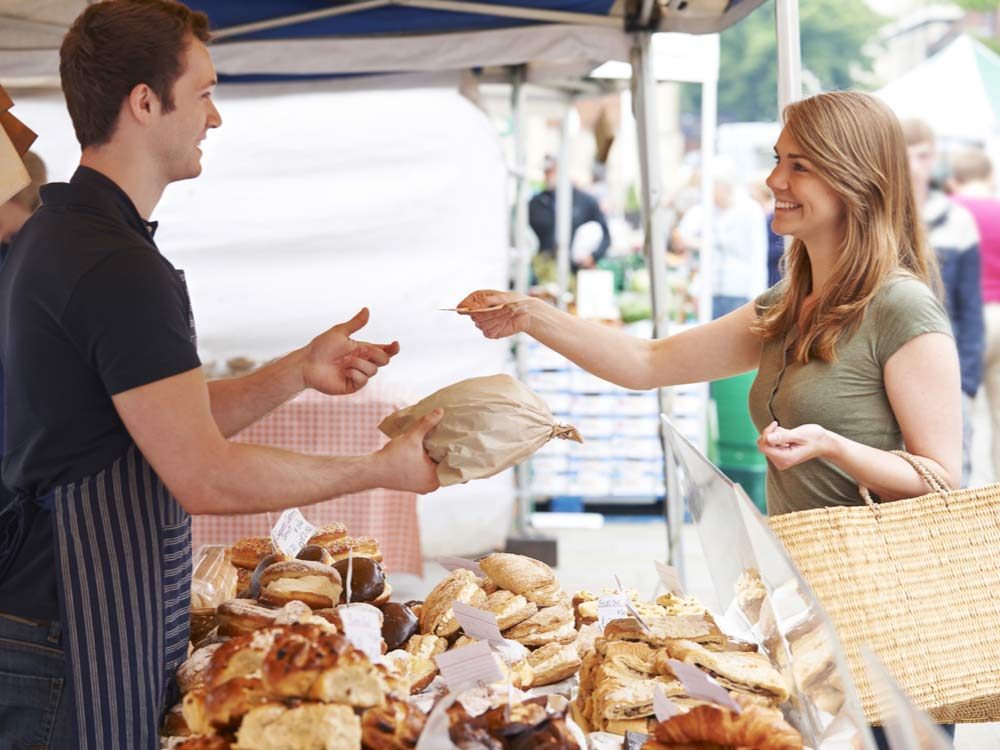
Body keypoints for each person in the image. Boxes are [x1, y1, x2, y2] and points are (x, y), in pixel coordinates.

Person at [0, 2, 442, 747]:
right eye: (204, 92)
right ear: (145, 102)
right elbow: (204, 473)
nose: (216, 118)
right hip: (71, 635)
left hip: (57, 620)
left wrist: (297, 371)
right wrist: (379, 469)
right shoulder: (116, 266)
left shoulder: (60, 234)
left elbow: (157, 421)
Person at [462, 90, 961, 747]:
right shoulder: (789, 304)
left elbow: (941, 483)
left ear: (855, 179)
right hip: (806, 611)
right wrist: (531, 315)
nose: (774, 180)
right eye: (779, 159)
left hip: (889, 622)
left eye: (800, 165)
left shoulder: (902, 308)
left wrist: (834, 447)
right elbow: (647, 362)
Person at [902, 118, 983, 486]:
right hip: (894, 365)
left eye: (923, 155)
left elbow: (970, 305)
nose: (917, 165)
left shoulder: (957, 220)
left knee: (951, 477)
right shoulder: (879, 219)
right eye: (909, 155)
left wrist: (966, 382)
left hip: (946, 365)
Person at [948, 148, 1000, 480]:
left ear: (954, 180)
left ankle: (960, 498)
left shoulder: (949, 213)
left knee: (956, 412)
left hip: (964, 320)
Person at [673, 169, 768, 319]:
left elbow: (758, 253)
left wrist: (757, 293)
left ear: (723, 187)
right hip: (709, 289)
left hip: (739, 290)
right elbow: (681, 237)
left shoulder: (749, 210)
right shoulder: (703, 211)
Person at [528, 155, 611, 279]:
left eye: (552, 171)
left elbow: (605, 236)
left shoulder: (586, 201)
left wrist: (593, 256)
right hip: (544, 271)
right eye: (546, 172)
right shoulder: (536, 203)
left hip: (576, 272)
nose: (548, 176)